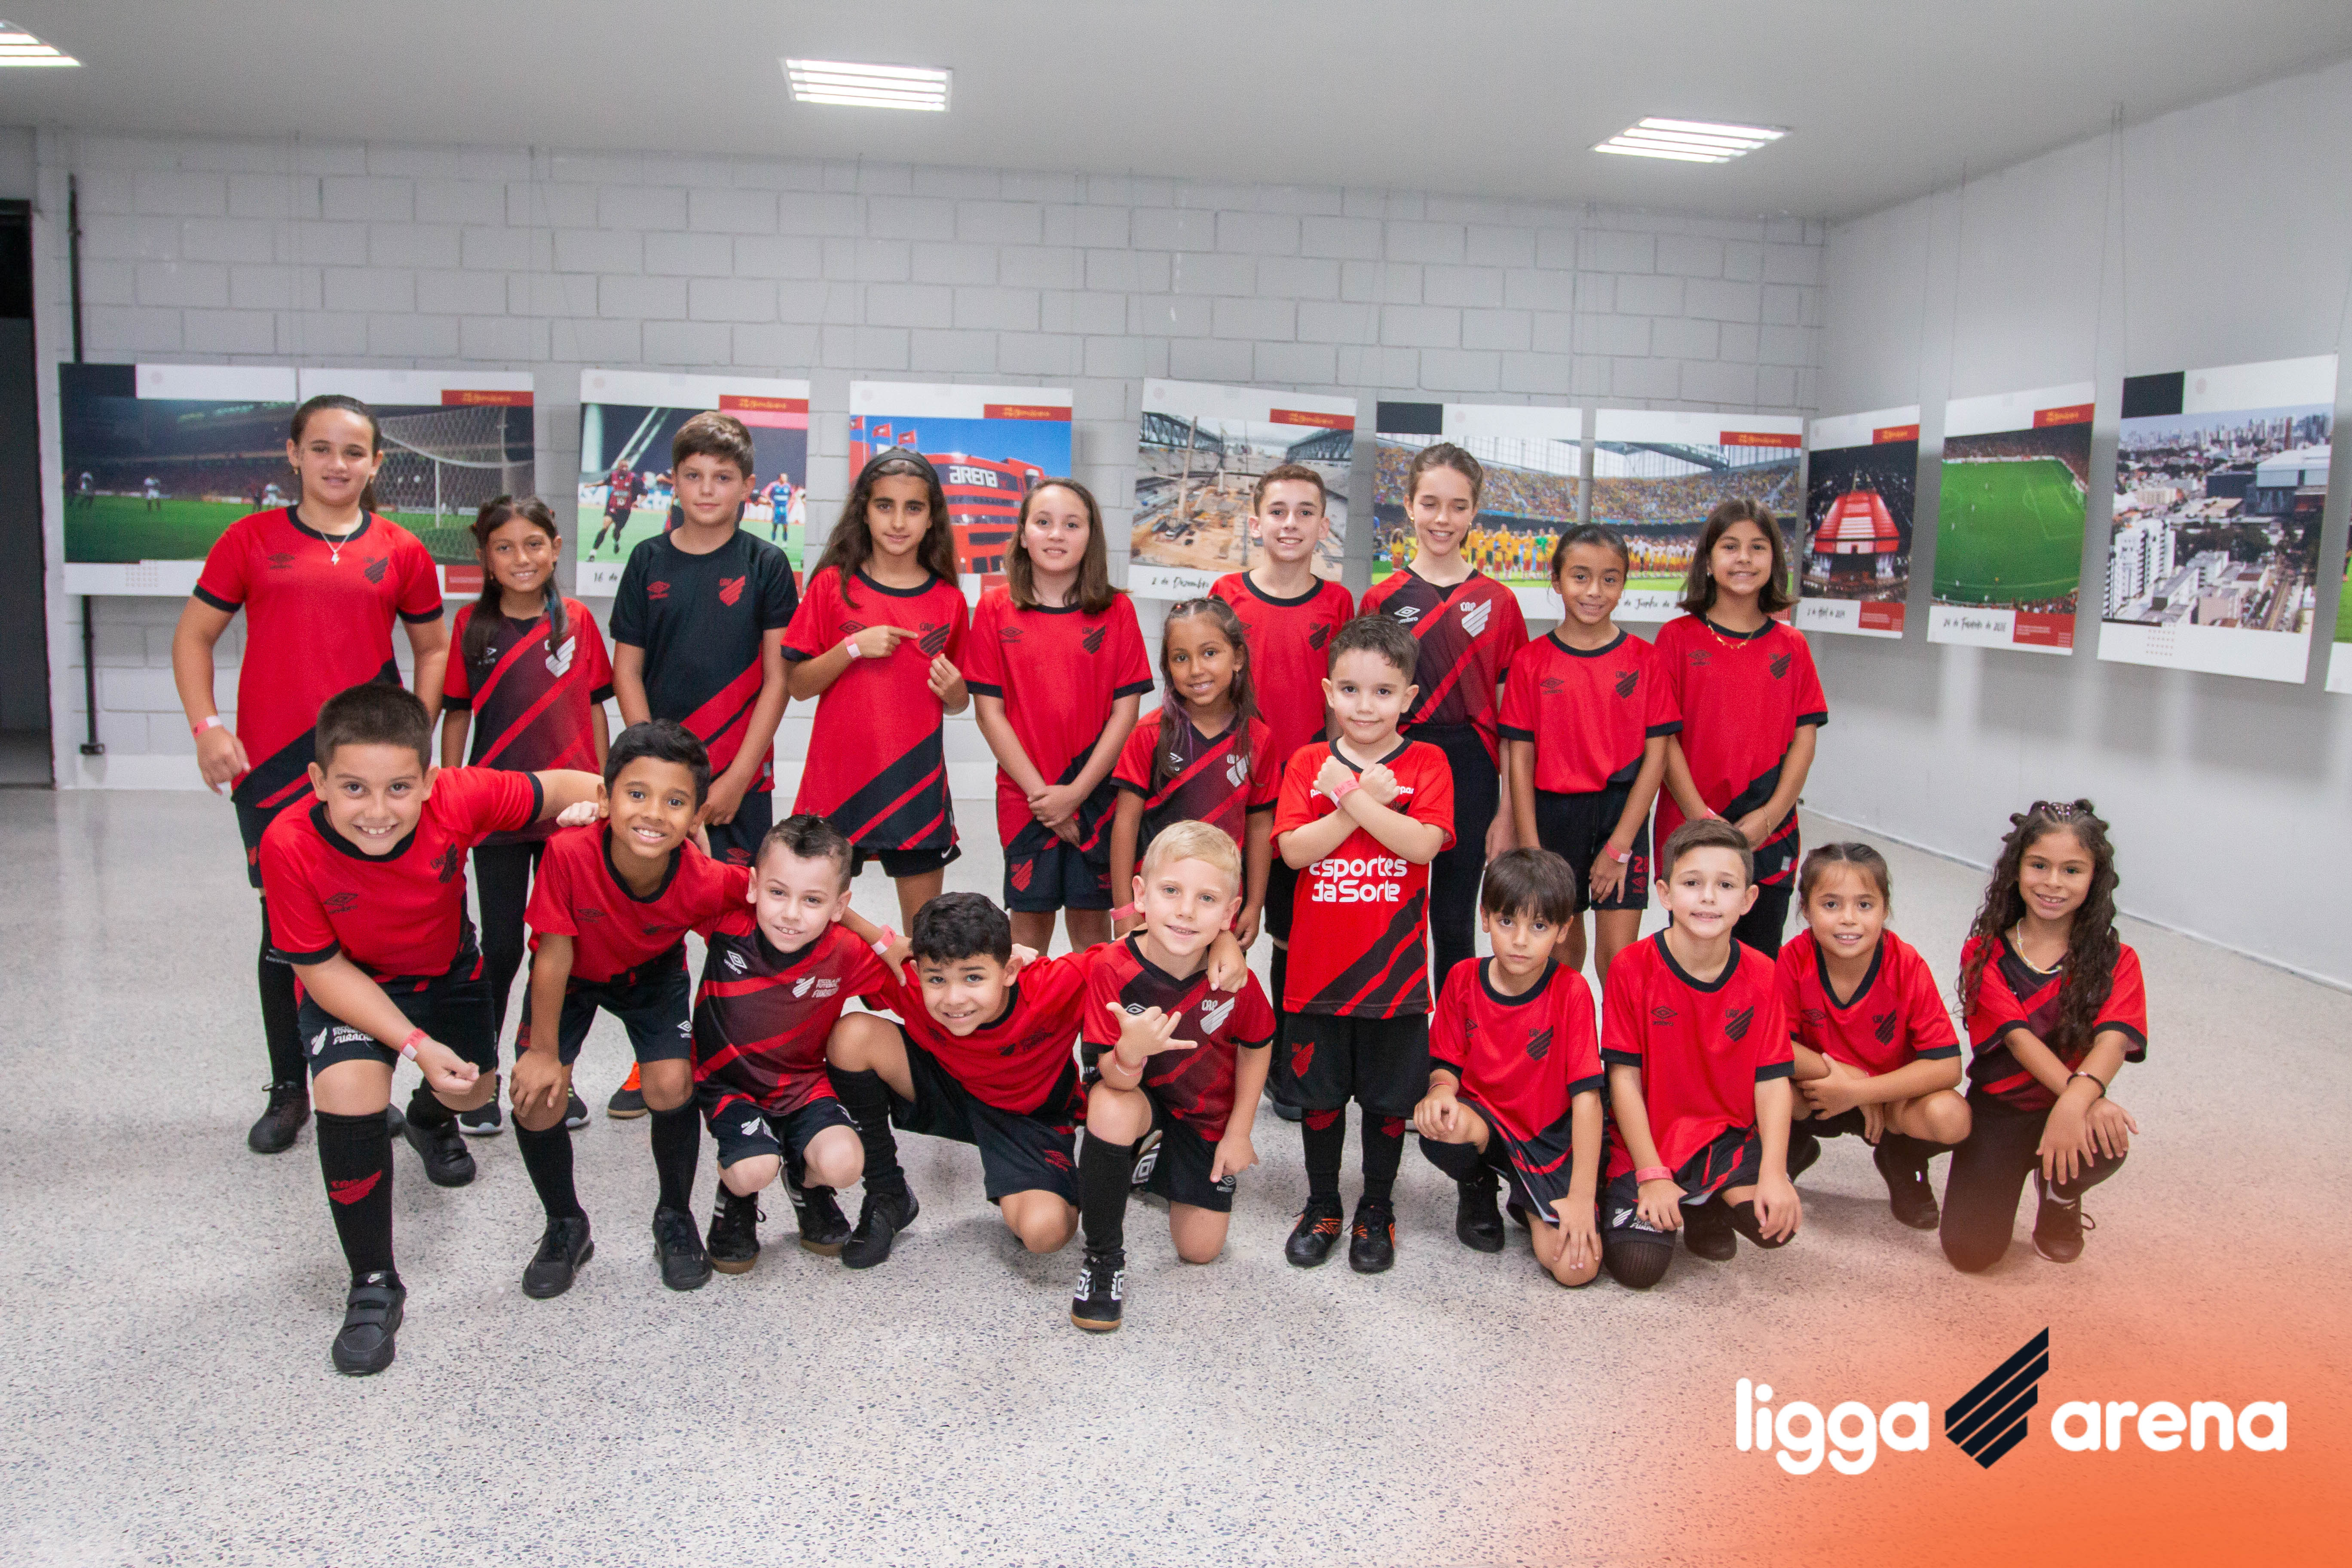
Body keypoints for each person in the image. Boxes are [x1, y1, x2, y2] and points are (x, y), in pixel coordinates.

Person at [257, 683, 600, 1373]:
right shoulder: (286, 842)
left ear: (430, 781)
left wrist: (625, 808)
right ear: (318, 782)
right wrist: (413, 1045)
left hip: (447, 974)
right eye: (353, 788)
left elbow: (569, 784)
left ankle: (426, 1120)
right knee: (348, 1094)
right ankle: (374, 1283)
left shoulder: (459, 797)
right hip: (352, 983)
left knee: (473, 1095)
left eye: (398, 789)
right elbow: (321, 971)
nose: (377, 811)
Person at [172, 393, 448, 1155]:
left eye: (353, 451)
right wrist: (207, 727)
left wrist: (413, 741)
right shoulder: (249, 539)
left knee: (369, 924)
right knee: (284, 932)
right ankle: (289, 1086)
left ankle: (363, 1081)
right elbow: (193, 637)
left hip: (366, 776)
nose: (337, 463)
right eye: (321, 448)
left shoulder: (401, 549)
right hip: (274, 771)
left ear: (376, 463)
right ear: (293, 454)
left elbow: (432, 648)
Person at [509, 721, 752, 1296]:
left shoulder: (700, 877)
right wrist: (543, 1053)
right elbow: (553, 956)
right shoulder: (568, 853)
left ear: (696, 818)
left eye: (675, 802)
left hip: (651, 975)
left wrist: (879, 938)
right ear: (605, 798)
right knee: (537, 1098)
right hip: (571, 975)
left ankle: (674, 1217)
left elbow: (782, 892)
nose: (653, 814)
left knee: (670, 1085)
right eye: (637, 794)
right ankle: (565, 1225)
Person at [609, 412, 797, 1114]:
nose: (707, 488)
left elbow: (778, 679)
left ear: (748, 486)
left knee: (738, 917)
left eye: (723, 477)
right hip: (661, 787)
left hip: (740, 778)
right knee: (653, 919)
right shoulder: (647, 561)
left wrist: (738, 774)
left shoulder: (766, 564)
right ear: (674, 482)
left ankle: (732, 1052)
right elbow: (627, 670)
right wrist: (656, 774)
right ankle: (656, 1057)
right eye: (694, 475)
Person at [1271, 615, 1454, 1273]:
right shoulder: (1306, 764)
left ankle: (1377, 1206)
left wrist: (1346, 794)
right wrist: (1358, 801)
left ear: (1409, 697)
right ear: (1328, 692)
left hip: (1394, 980)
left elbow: (1421, 845)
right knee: (1319, 1099)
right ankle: (1323, 1204)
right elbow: (1295, 852)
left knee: (1386, 1103)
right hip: (1318, 976)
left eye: (1383, 692)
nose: (1365, 706)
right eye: (1350, 690)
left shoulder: (1427, 763)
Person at [438, 496, 610, 1137]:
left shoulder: (580, 622)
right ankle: (479, 1075)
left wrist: (605, 791)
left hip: (572, 812)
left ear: (556, 548)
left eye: (534, 544)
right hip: (499, 810)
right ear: (485, 557)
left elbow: (597, 706)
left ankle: (548, 1070)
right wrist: (452, 797)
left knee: (561, 946)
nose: (521, 558)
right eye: (504, 547)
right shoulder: (470, 627)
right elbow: (457, 713)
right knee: (504, 946)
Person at [1071, 821, 1277, 1332]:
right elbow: (1110, 1077)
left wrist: (1240, 1132)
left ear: (1229, 914)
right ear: (1140, 895)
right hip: (1136, 1096)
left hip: (1203, 1116)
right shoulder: (1111, 968)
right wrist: (1131, 1052)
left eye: (1207, 899)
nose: (1185, 911)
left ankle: (1152, 1160)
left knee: (1200, 1250)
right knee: (1110, 1107)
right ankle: (1102, 1259)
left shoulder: (1235, 979)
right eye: (1170, 891)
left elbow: (1258, 1045)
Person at [1599, 818, 1801, 1290]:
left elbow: (1772, 1080)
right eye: (1692, 883)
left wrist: (1776, 1173)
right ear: (1665, 894)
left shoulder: (1763, 973)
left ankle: (1707, 1201)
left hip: (1722, 1138)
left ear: (1749, 899)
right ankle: (1666, 1195)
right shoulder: (1631, 967)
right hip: (1648, 1142)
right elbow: (1623, 1080)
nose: (1708, 897)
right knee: (1638, 1268)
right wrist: (1652, 1174)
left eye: (1726, 886)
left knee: (1774, 1226)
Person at [1941, 801, 2143, 1272]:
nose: (2053, 882)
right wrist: (2078, 1098)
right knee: (1970, 1253)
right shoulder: (1983, 951)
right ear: (2016, 870)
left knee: (2108, 1135)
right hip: (2000, 1110)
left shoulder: (2120, 959)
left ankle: (2060, 1197)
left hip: (2071, 1100)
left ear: (2095, 878)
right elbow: (2017, 1040)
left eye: (2072, 870)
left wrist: (2074, 1106)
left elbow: (2113, 1042)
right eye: (2039, 866)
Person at [1209, 463, 1353, 1119]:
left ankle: (1290, 1065)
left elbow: (1341, 704)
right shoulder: (1226, 595)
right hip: (1233, 795)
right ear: (1256, 522)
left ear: (1324, 526)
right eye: (1278, 511)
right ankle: (1214, 1062)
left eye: (1305, 512)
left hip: (1304, 802)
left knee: (1296, 939)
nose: (1290, 524)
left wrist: (1336, 784)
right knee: (1223, 929)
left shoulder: (1338, 603)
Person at [1360, 443, 1529, 991]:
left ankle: (1455, 1035)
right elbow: (1359, 707)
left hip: (1471, 770)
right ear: (1409, 506)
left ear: (1474, 511)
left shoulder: (1499, 602)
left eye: (1458, 506)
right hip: (1396, 764)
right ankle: (1395, 1030)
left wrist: (1506, 811)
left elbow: (1512, 720)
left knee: (1455, 923)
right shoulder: (1381, 599)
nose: (1443, 519)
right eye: (1430, 503)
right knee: (1389, 915)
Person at [695, 815, 895, 1277]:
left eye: (812, 900)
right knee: (753, 1168)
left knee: (846, 1164)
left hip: (803, 1085)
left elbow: (920, 983)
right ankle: (735, 1201)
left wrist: (890, 943)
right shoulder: (725, 924)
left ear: (840, 906)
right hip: (729, 1086)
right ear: (753, 886)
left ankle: (805, 1183)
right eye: (777, 893)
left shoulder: (846, 951)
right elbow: (682, 881)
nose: (790, 914)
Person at [782, 448, 970, 931]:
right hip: (837, 782)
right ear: (864, 512)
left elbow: (959, 700)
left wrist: (956, 692)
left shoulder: (950, 601)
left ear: (932, 518)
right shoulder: (831, 586)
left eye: (914, 508)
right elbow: (798, 685)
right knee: (809, 924)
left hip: (915, 785)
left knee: (925, 934)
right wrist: (852, 648)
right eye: (885, 506)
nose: (899, 522)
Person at [965, 478, 1152, 956]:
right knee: (1027, 933)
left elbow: (1126, 712)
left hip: (1096, 793)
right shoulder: (994, 608)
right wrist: (1043, 799)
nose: (1056, 535)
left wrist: (1076, 794)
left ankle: (1095, 1013)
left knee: (1091, 931)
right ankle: (1026, 1013)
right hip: (1026, 795)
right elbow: (989, 714)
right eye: (1043, 522)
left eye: (1072, 525)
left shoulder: (1118, 610)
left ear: (1091, 536)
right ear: (1023, 533)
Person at [1414, 848, 1606, 1286]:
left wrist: (1581, 1197)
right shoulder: (1462, 979)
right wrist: (1440, 1091)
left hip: (1548, 1139)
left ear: (1563, 930)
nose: (1520, 940)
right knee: (1440, 1123)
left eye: (1538, 926)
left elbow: (1588, 1099)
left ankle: (1528, 1200)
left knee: (1575, 1270)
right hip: (1486, 1125)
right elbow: (1445, 1064)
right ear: (1484, 918)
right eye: (1507, 922)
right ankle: (1478, 1187)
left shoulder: (1572, 991)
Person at [1501, 522, 1678, 984]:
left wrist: (1619, 847)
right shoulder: (1530, 661)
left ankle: (1619, 1038)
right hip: (1555, 817)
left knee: (1619, 961)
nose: (1595, 591)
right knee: (1560, 957)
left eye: (1609, 579)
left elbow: (1657, 758)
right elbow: (1520, 760)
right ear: (1557, 581)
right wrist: (1532, 848)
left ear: (1624, 583)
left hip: (1622, 817)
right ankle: (1566, 1033)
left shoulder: (1646, 659)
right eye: (1580, 577)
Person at [1654, 499, 1826, 957]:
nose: (1744, 558)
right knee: (1694, 957)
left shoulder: (1792, 645)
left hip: (1769, 830)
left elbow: (1805, 739)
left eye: (1758, 547)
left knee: (1759, 961)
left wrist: (1770, 816)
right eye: (1730, 546)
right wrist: (1699, 817)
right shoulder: (1676, 638)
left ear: (1775, 561)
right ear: (1708, 561)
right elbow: (1664, 739)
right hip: (1692, 824)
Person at [1779, 842, 1971, 1231]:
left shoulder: (1906, 965)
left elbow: (1948, 1066)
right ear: (1806, 910)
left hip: (1890, 1100)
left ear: (1885, 910)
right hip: (1820, 1091)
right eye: (1831, 905)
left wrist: (1862, 1091)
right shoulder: (1794, 958)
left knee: (1953, 1118)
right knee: (1762, 1085)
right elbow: (1772, 1046)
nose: (1849, 919)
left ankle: (1902, 1158)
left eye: (1865, 905)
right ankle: (1791, 1147)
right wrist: (1844, 1077)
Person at [1106, 597, 1276, 947]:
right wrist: (1125, 908)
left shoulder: (1258, 739)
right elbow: (1126, 823)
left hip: (1220, 910)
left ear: (1238, 658)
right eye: (1181, 658)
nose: (1196, 669)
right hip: (1158, 906)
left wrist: (1255, 905)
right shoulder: (1149, 733)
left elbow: (1260, 827)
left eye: (1210, 653)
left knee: (1217, 980)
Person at [590, 459, 637, 558]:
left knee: (616, 532)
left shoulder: (634, 479)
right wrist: (592, 485)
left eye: (626, 467)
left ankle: (616, 542)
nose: (624, 469)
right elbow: (604, 482)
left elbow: (644, 492)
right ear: (618, 467)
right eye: (622, 467)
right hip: (612, 507)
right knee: (605, 528)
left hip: (625, 511)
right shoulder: (613, 475)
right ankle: (593, 553)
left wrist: (638, 502)